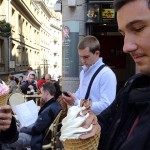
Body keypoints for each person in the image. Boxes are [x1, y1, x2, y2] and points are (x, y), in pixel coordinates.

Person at [79, 0, 150, 150]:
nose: (126, 47)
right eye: (123, 33)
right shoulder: (133, 85)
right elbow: (109, 120)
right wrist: (96, 124)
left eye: (138, 28)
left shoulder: (107, 75)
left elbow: (106, 104)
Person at [62, 35, 117, 115]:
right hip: (86, 122)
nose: (83, 61)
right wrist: (71, 96)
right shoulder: (83, 72)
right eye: (81, 57)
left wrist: (77, 102)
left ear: (97, 53)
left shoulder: (107, 74)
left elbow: (107, 106)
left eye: (86, 57)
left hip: (99, 124)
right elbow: (81, 93)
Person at [2, 82, 61, 150]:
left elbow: (36, 130)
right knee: (15, 129)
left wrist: (22, 129)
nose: (40, 95)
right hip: (41, 134)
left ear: (47, 93)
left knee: (6, 140)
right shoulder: (55, 105)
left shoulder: (49, 110)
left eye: (42, 93)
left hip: (37, 137)